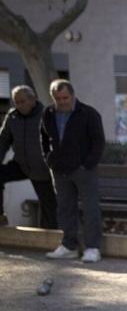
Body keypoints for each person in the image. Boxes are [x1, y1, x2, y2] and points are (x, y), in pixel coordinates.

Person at [40, 79, 105, 263]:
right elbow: (44, 137)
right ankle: (69, 245)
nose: (62, 102)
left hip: (83, 169)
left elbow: (98, 142)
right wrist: (49, 158)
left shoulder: (88, 113)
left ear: (72, 95)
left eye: (65, 97)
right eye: (58, 98)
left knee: (90, 208)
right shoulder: (48, 113)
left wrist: (87, 164)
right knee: (65, 208)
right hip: (59, 169)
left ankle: (92, 248)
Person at [0, 85, 57, 228]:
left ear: (33, 99)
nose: (19, 105)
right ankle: (0, 216)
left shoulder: (46, 115)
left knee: (48, 205)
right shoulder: (12, 116)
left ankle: (51, 238)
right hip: (21, 165)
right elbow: (3, 141)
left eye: (22, 101)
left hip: (42, 168)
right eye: (16, 102)